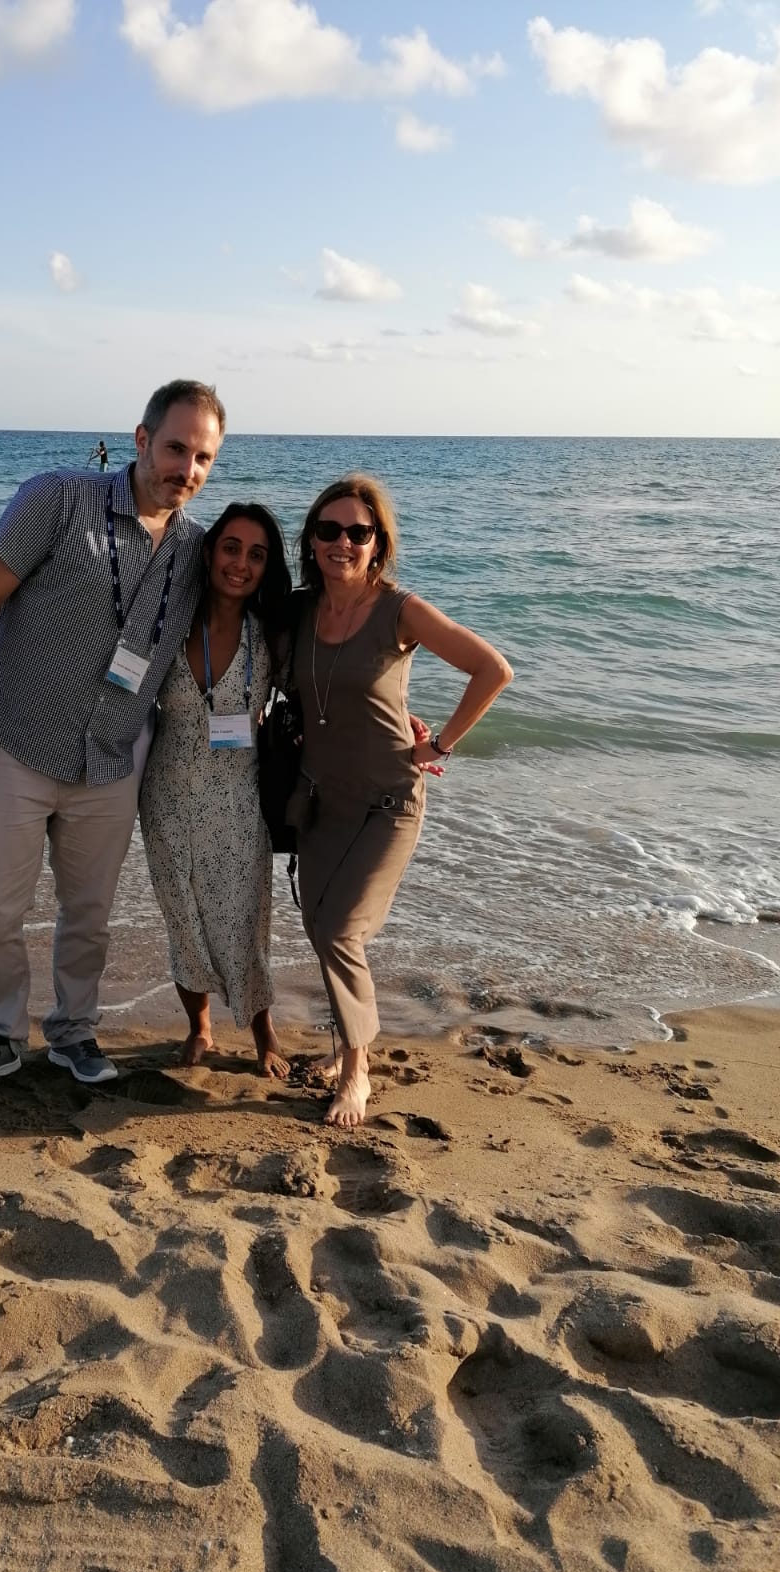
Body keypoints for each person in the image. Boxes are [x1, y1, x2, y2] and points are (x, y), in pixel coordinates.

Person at [0, 380, 226, 1094]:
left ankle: (73, 1033)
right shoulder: (58, 499)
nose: (186, 469)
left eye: (203, 458)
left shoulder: (197, 551)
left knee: (89, 915)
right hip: (13, 741)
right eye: (176, 448)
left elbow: (248, 630)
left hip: (113, 759)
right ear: (141, 440)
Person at [287, 473, 513, 1128]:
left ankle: (356, 1071)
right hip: (320, 798)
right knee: (320, 926)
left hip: (388, 802)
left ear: (378, 544)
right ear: (311, 540)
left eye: (358, 532)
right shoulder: (300, 610)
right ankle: (346, 1043)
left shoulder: (399, 610)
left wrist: (436, 744)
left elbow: (492, 669)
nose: (342, 542)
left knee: (339, 929)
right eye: (329, 529)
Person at [139, 504, 293, 1078]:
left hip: (237, 799)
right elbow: (120, 681)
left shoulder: (271, 635)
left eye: (256, 554)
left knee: (244, 921)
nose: (240, 564)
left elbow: (323, 690)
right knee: (183, 919)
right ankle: (198, 1026)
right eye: (231, 548)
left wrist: (401, 723)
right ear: (208, 553)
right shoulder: (170, 622)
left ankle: (264, 1032)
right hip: (165, 797)